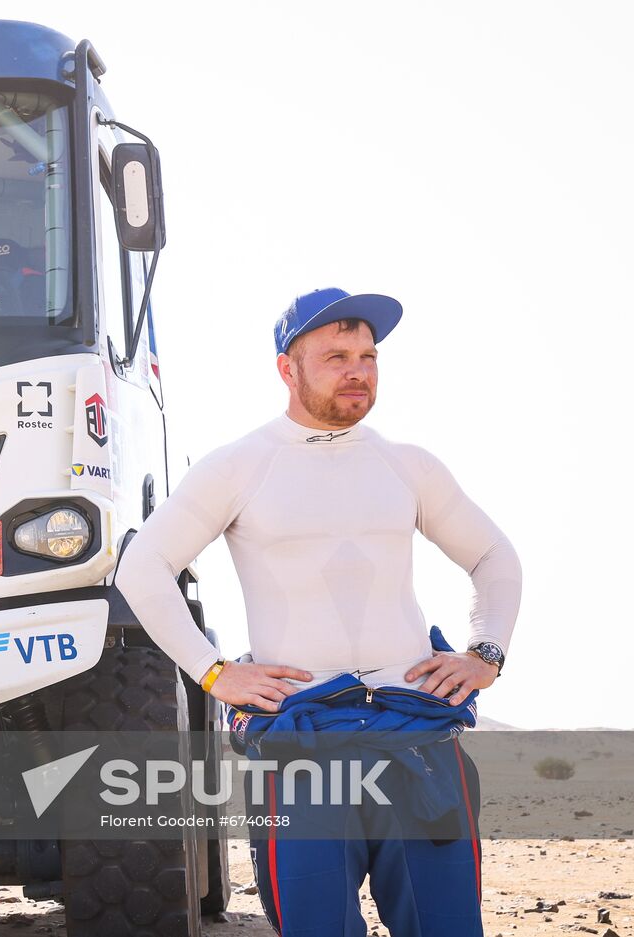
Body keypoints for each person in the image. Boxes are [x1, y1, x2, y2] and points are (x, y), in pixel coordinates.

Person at [115, 288, 521, 936]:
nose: (358, 369)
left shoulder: (408, 465)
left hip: (414, 739)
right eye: (336, 355)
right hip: (302, 749)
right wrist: (213, 672)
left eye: (367, 355)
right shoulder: (238, 466)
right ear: (288, 367)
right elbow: (141, 566)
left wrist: (486, 651)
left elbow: (495, 555)